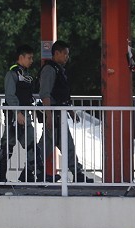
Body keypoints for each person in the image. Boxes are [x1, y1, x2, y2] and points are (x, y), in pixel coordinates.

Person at [35, 40, 93, 183]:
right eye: (65, 54)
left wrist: (71, 112)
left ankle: (76, 172)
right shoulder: (49, 70)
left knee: (62, 145)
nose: (67, 57)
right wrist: (48, 115)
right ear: (57, 53)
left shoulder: (58, 69)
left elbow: (63, 95)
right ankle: (31, 171)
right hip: (53, 115)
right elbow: (45, 94)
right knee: (49, 147)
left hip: (59, 114)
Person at [0, 44, 39, 184]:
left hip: (24, 115)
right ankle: (0, 177)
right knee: (7, 147)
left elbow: (26, 95)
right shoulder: (12, 74)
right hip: (15, 117)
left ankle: (30, 175)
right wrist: (17, 112)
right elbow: (10, 96)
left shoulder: (25, 74)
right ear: (21, 57)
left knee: (32, 146)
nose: (32, 60)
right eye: (29, 58)